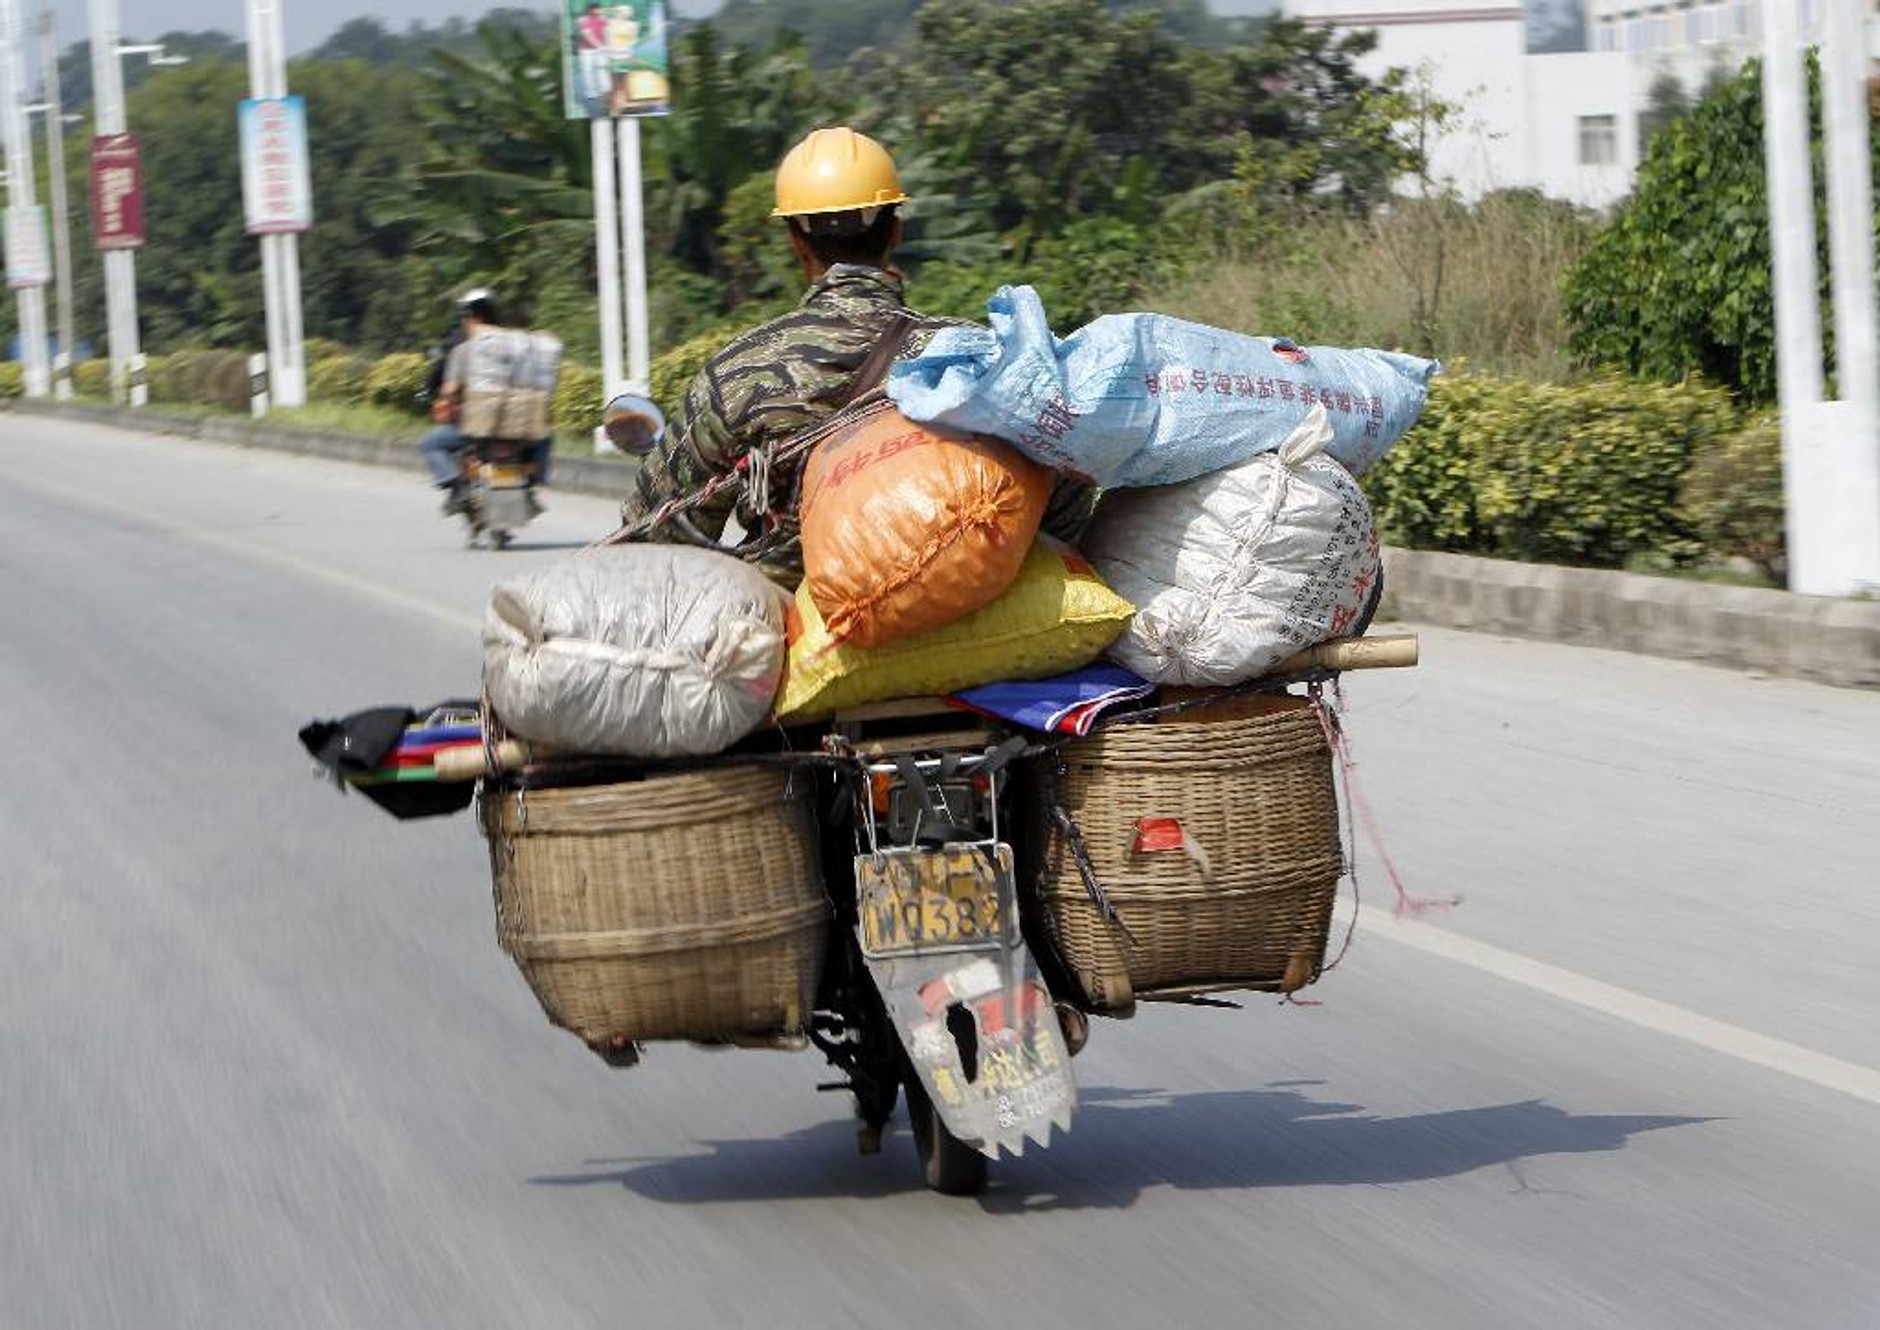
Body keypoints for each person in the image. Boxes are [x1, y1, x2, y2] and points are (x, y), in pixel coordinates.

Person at [617, 125, 1093, 587]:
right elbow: (1066, 485)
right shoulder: (976, 356)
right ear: (896, 231)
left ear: (796, 243)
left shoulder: (741, 374)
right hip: (974, 620)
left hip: (796, 636)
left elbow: (654, 537)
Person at [418, 289, 553, 514]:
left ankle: (457, 487)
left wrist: (447, 399)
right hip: (519, 424)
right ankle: (531, 485)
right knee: (544, 437)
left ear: (473, 318)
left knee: (430, 444)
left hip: (477, 426)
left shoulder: (463, 348)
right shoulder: (516, 345)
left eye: (465, 317)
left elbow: (449, 390)